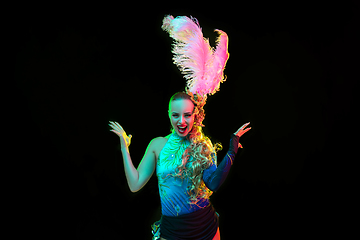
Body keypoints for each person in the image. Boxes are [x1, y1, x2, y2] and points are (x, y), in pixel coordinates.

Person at [109, 15, 252, 240]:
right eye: (176, 115)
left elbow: (213, 183)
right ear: (169, 115)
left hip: (205, 227)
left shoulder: (202, 145)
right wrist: (124, 148)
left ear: (196, 115)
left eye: (187, 115)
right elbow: (135, 184)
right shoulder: (157, 145)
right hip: (173, 230)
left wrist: (233, 149)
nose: (181, 121)